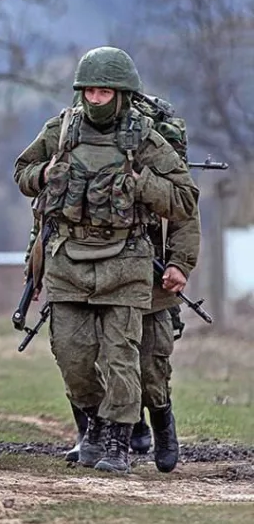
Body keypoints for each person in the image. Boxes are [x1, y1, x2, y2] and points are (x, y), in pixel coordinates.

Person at [13, 46, 199, 474]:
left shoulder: (145, 138)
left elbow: (185, 199)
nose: (95, 99)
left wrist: (141, 183)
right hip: (68, 260)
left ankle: (119, 441)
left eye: (103, 92)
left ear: (122, 94)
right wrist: (44, 174)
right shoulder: (61, 129)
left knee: (124, 357)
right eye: (88, 91)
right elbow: (24, 172)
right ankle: (93, 426)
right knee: (71, 354)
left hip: (127, 259)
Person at [61, 93, 200, 473]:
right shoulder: (74, 141)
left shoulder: (156, 152)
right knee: (91, 355)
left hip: (150, 270)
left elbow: (186, 217)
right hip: (95, 264)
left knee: (150, 365)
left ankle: (161, 423)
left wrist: (179, 265)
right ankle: (101, 433)